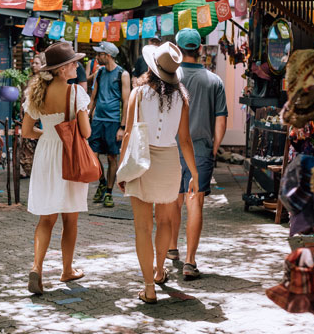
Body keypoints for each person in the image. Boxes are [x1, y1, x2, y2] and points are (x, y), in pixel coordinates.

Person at [118, 42, 199, 304]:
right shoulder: (182, 97)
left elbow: (128, 133)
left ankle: (149, 287)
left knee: (143, 226)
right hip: (169, 161)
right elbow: (185, 140)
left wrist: (121, 169)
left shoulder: (138, 93)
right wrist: (195, 174)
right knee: (165, 222)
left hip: (142, 159)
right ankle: (160, 270)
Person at [22, 42, 92, 295]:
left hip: (46, 154)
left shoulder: (37, 93)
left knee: (46, 217)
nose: (77, 66)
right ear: (62, 70)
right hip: (69, 156)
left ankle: (37, 268)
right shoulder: (76, 94)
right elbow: (85, 132)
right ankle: (67, 269)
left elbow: (27, 131)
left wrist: (49, 133)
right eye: (73, 63)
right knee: (70, 218)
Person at [168, 28, 228, 279]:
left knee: (174, 199)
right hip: (201, 148)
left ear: (179, 51)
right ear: (200, 50)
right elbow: (221, 121)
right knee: (195, 202)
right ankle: (190, 262)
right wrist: (213, 149)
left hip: (171, 146)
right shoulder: (214, 80)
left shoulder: (169, 77)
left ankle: (172, 249)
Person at [89, 41, 131, 208]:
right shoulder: (99, 73)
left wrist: (122, 127)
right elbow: (93, 97)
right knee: (92, 155)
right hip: (98, 120)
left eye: (99, 54)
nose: (97, 57)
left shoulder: (123, 74)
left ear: (107, 55)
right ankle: (102, 181)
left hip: (113, 121)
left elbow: (126, 101)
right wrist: (87, 115)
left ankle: (108, 191)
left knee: (112, 157)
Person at [19, 53, 46, 178]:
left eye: (37, 63)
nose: (34, 65)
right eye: (33, 63)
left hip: (38, 118)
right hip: (27, 116)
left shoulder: (45, 82)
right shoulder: (29, 80)